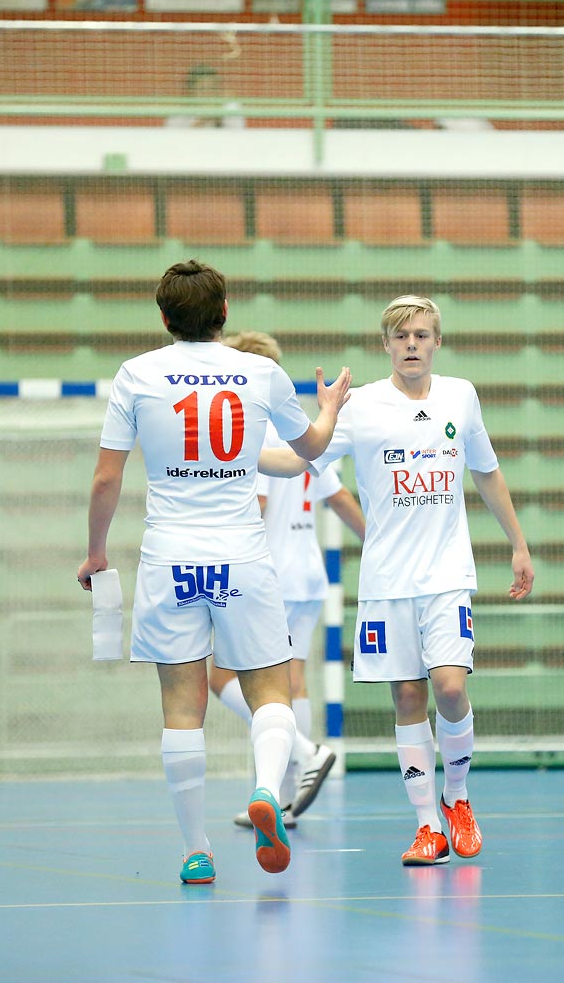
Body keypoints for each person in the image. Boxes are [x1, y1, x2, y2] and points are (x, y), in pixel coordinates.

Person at [76, 260, 350, 885]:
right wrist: (329, 408)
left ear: (164, 317)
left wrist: (96, 552)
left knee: (182, 704)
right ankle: (265, 790)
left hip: (170, 556)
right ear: (224, 312)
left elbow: (106, 477)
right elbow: (308, 452)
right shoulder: (261, 372)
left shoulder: (137, 375)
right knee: (271, 691)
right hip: (243, 556)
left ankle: (195, 850)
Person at [262, 295, 533, 866]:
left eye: (422, 334)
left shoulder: (461, 396)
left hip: (446, 575)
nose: (412, 344)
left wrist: (518, 543)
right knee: (408, 697)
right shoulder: (360, 407)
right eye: (402, 336)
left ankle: (456, 798)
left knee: (451, 688)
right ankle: (427, 826)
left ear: (437, 342)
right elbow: (300, 459)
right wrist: (235, 453)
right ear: (385, 345)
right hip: (387, 582)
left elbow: (485, 471)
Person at [217, 331, 366, 829]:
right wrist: (377, 538)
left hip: (270, 577)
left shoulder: (251, 432)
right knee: (291, 680)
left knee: (225, 677)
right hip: (308, 576)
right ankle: (283, 800)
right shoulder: (296, 430)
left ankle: (305, 754)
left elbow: (253, 508)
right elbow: (338, 496)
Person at [164, 64, 245, 130]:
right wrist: (202, 119)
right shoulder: (178, 111)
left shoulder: (231, 107)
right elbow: (173, 140)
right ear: (191, 91)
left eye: (213, 88)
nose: (208, 93)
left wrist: (218, 117)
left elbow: (238, 136)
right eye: (202, 89)